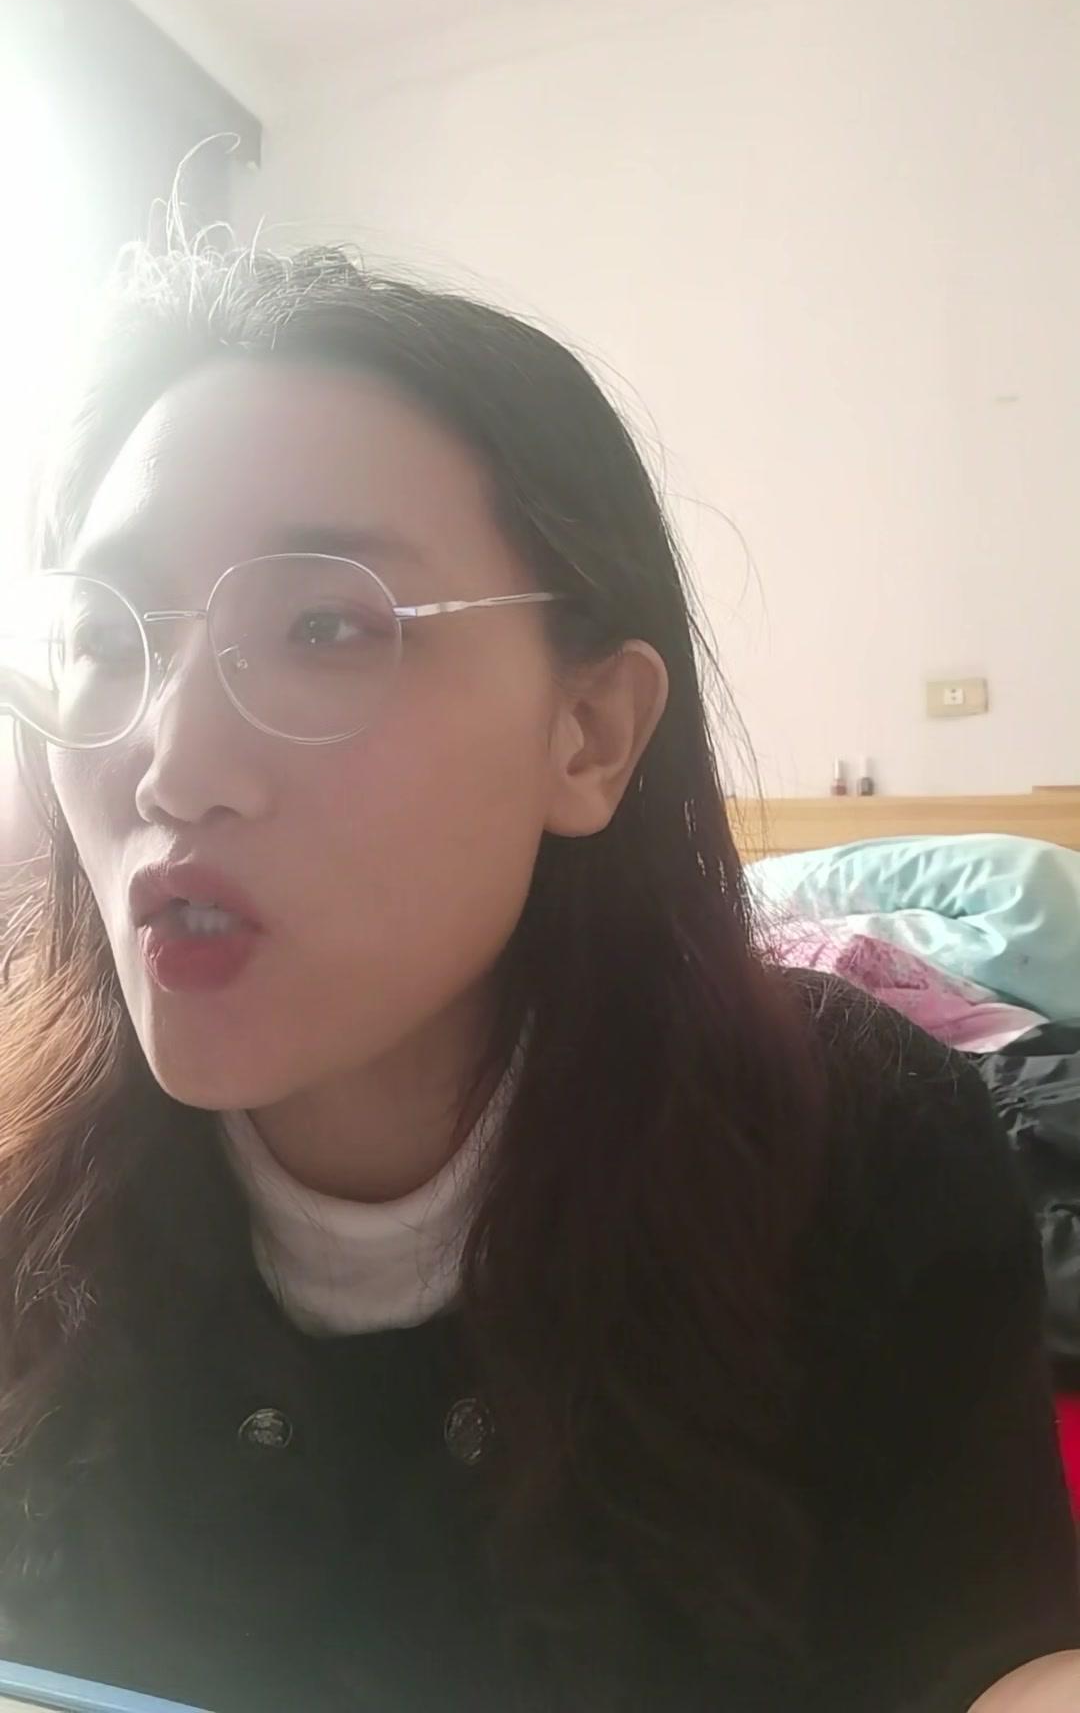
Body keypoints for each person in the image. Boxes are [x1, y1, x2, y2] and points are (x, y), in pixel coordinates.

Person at [0, 241, 1076, 1713]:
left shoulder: (856, 1144)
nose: (171, 769)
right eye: (103, 640)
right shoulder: (26, 1186)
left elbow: (996, 1657)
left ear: (590, 735)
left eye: (324, 629)